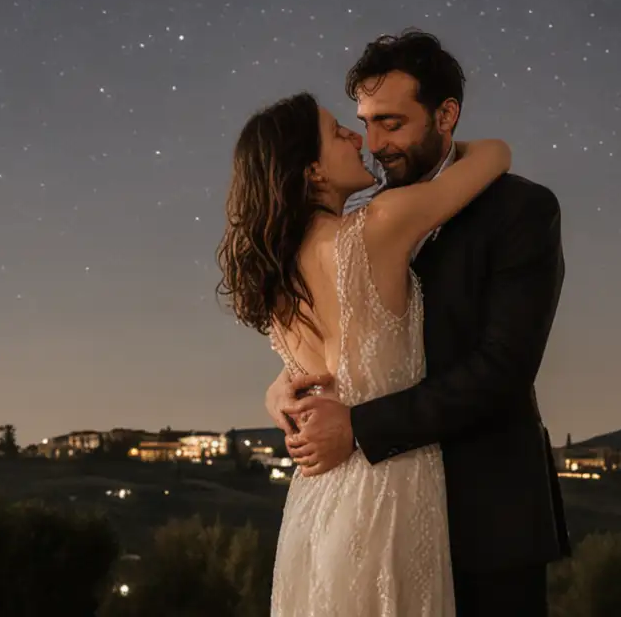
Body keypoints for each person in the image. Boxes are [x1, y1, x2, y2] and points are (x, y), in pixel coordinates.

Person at [266, 30, 570, 616]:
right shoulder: (357, 225)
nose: (374, 144)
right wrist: (286, 382)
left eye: (393, 123)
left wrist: (357, 427)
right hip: (374, 517)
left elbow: (501, 368)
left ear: (446, 115)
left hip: (487, 522)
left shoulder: (522, 211)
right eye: (365, 122)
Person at [216, 86, 513, 615]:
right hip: (388, 492)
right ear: (312, 171)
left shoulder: (277, 278)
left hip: (316, 502)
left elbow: (311, 375)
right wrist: (440, 132)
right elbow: (495, 154)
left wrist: (274, 393)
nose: (360, 138)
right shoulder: (380, 225)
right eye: (338, 132)